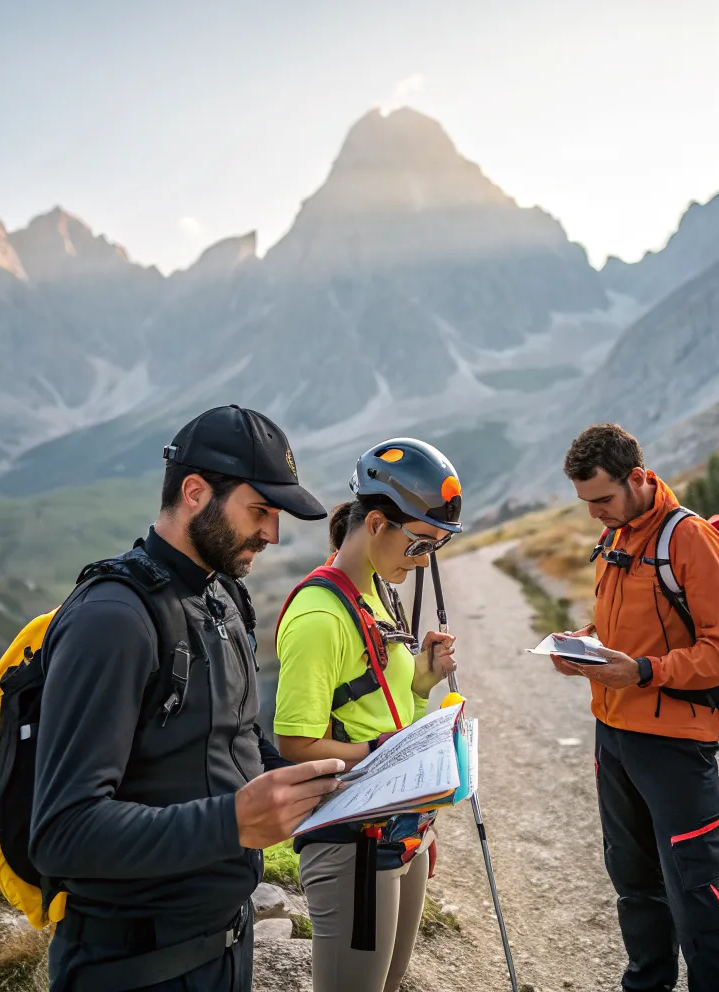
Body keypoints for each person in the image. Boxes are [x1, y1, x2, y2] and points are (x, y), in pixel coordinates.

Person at [30, 405, 348, 992]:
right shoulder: (113, 618)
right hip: (131, 971)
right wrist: (232, 822)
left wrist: (344, 788)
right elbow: (61, 834)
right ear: (195, 492)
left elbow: (237, 744)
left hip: (225, 948)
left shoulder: (222, 595)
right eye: (260, 510)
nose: (273, 534)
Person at [553, 423, 719, 992]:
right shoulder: (615, 537)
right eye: (585, 502)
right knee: (633, 881)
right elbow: (627, 624)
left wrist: (643, 671)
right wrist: (586, 643)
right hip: (613, 734)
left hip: (674, 741)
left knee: (695, 891)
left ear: (639, 478)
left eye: (602, 498)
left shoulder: (689, 539)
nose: (594, 513)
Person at [272, 438, 463, 992]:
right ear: (377, 523)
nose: (425, 559)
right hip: (352, 838)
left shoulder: (377, 589)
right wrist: (383, 755)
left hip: (399, 822)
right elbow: (295, 743)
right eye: (421, 543)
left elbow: (378, 703)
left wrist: (422, 679)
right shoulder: (318, 617)